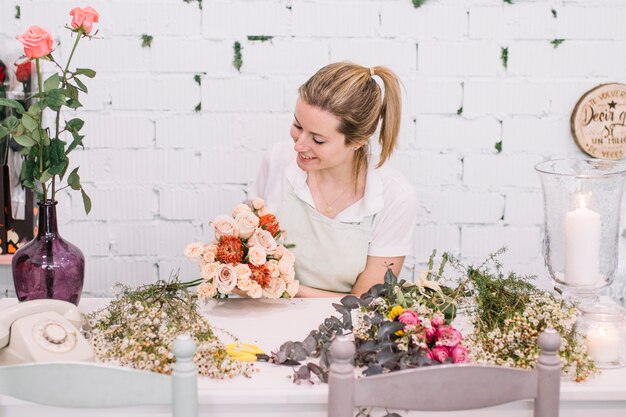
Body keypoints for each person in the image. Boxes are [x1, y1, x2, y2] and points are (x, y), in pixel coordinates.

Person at [253, 62, 417, 297]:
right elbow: (248, 251)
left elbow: (365, 306)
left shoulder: (395, 197)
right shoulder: (278, 160)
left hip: (344, 331)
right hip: (263, 320)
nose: (299, 145)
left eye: (318, 140)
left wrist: (283, 289)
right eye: (297, 126)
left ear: (359, 140)